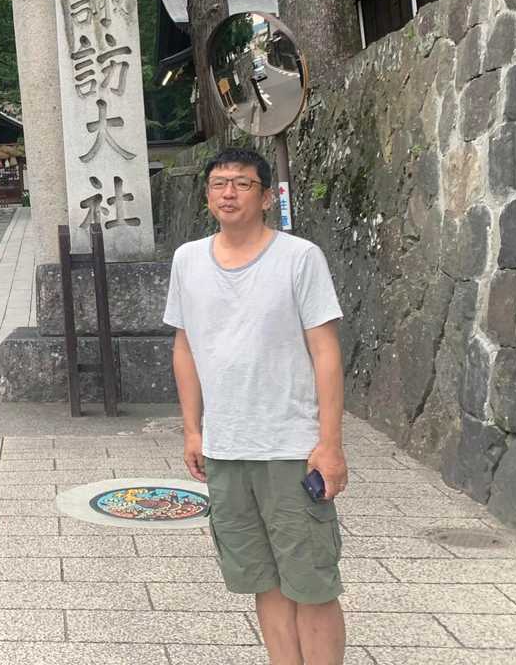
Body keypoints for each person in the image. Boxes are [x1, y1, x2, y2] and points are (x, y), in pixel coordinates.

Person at [164, 147, 347, 665]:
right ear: (207, 195)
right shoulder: (187, 260)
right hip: (225, 449)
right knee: (262, 582)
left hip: (290, 448)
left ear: (266, 197)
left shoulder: (299, 257)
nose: (229, 193)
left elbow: (326, 352)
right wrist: (193, 430)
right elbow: (185, 347)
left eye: (242, 184)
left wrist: (330, 444)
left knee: (311, 584)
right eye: (219, 184)